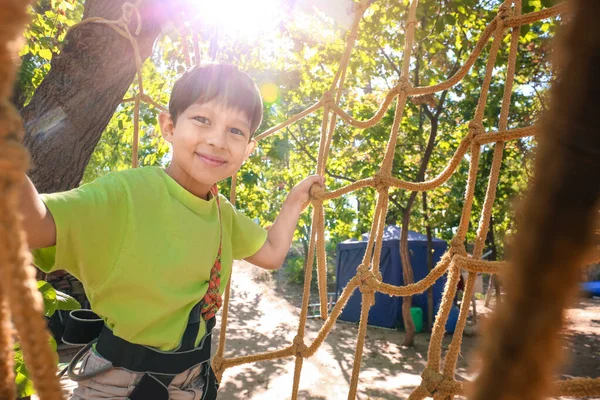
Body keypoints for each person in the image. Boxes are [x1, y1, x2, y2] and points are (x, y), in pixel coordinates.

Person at [20, 63, 324, 400]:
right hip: (116, 383)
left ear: (248, 150)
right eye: (202, 120)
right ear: (169, 126)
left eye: (236, 131)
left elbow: (271, 252)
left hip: (190, 382)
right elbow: (34, 224)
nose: (217, 140)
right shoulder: (127, 193)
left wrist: (295, 202)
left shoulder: (224, 215)